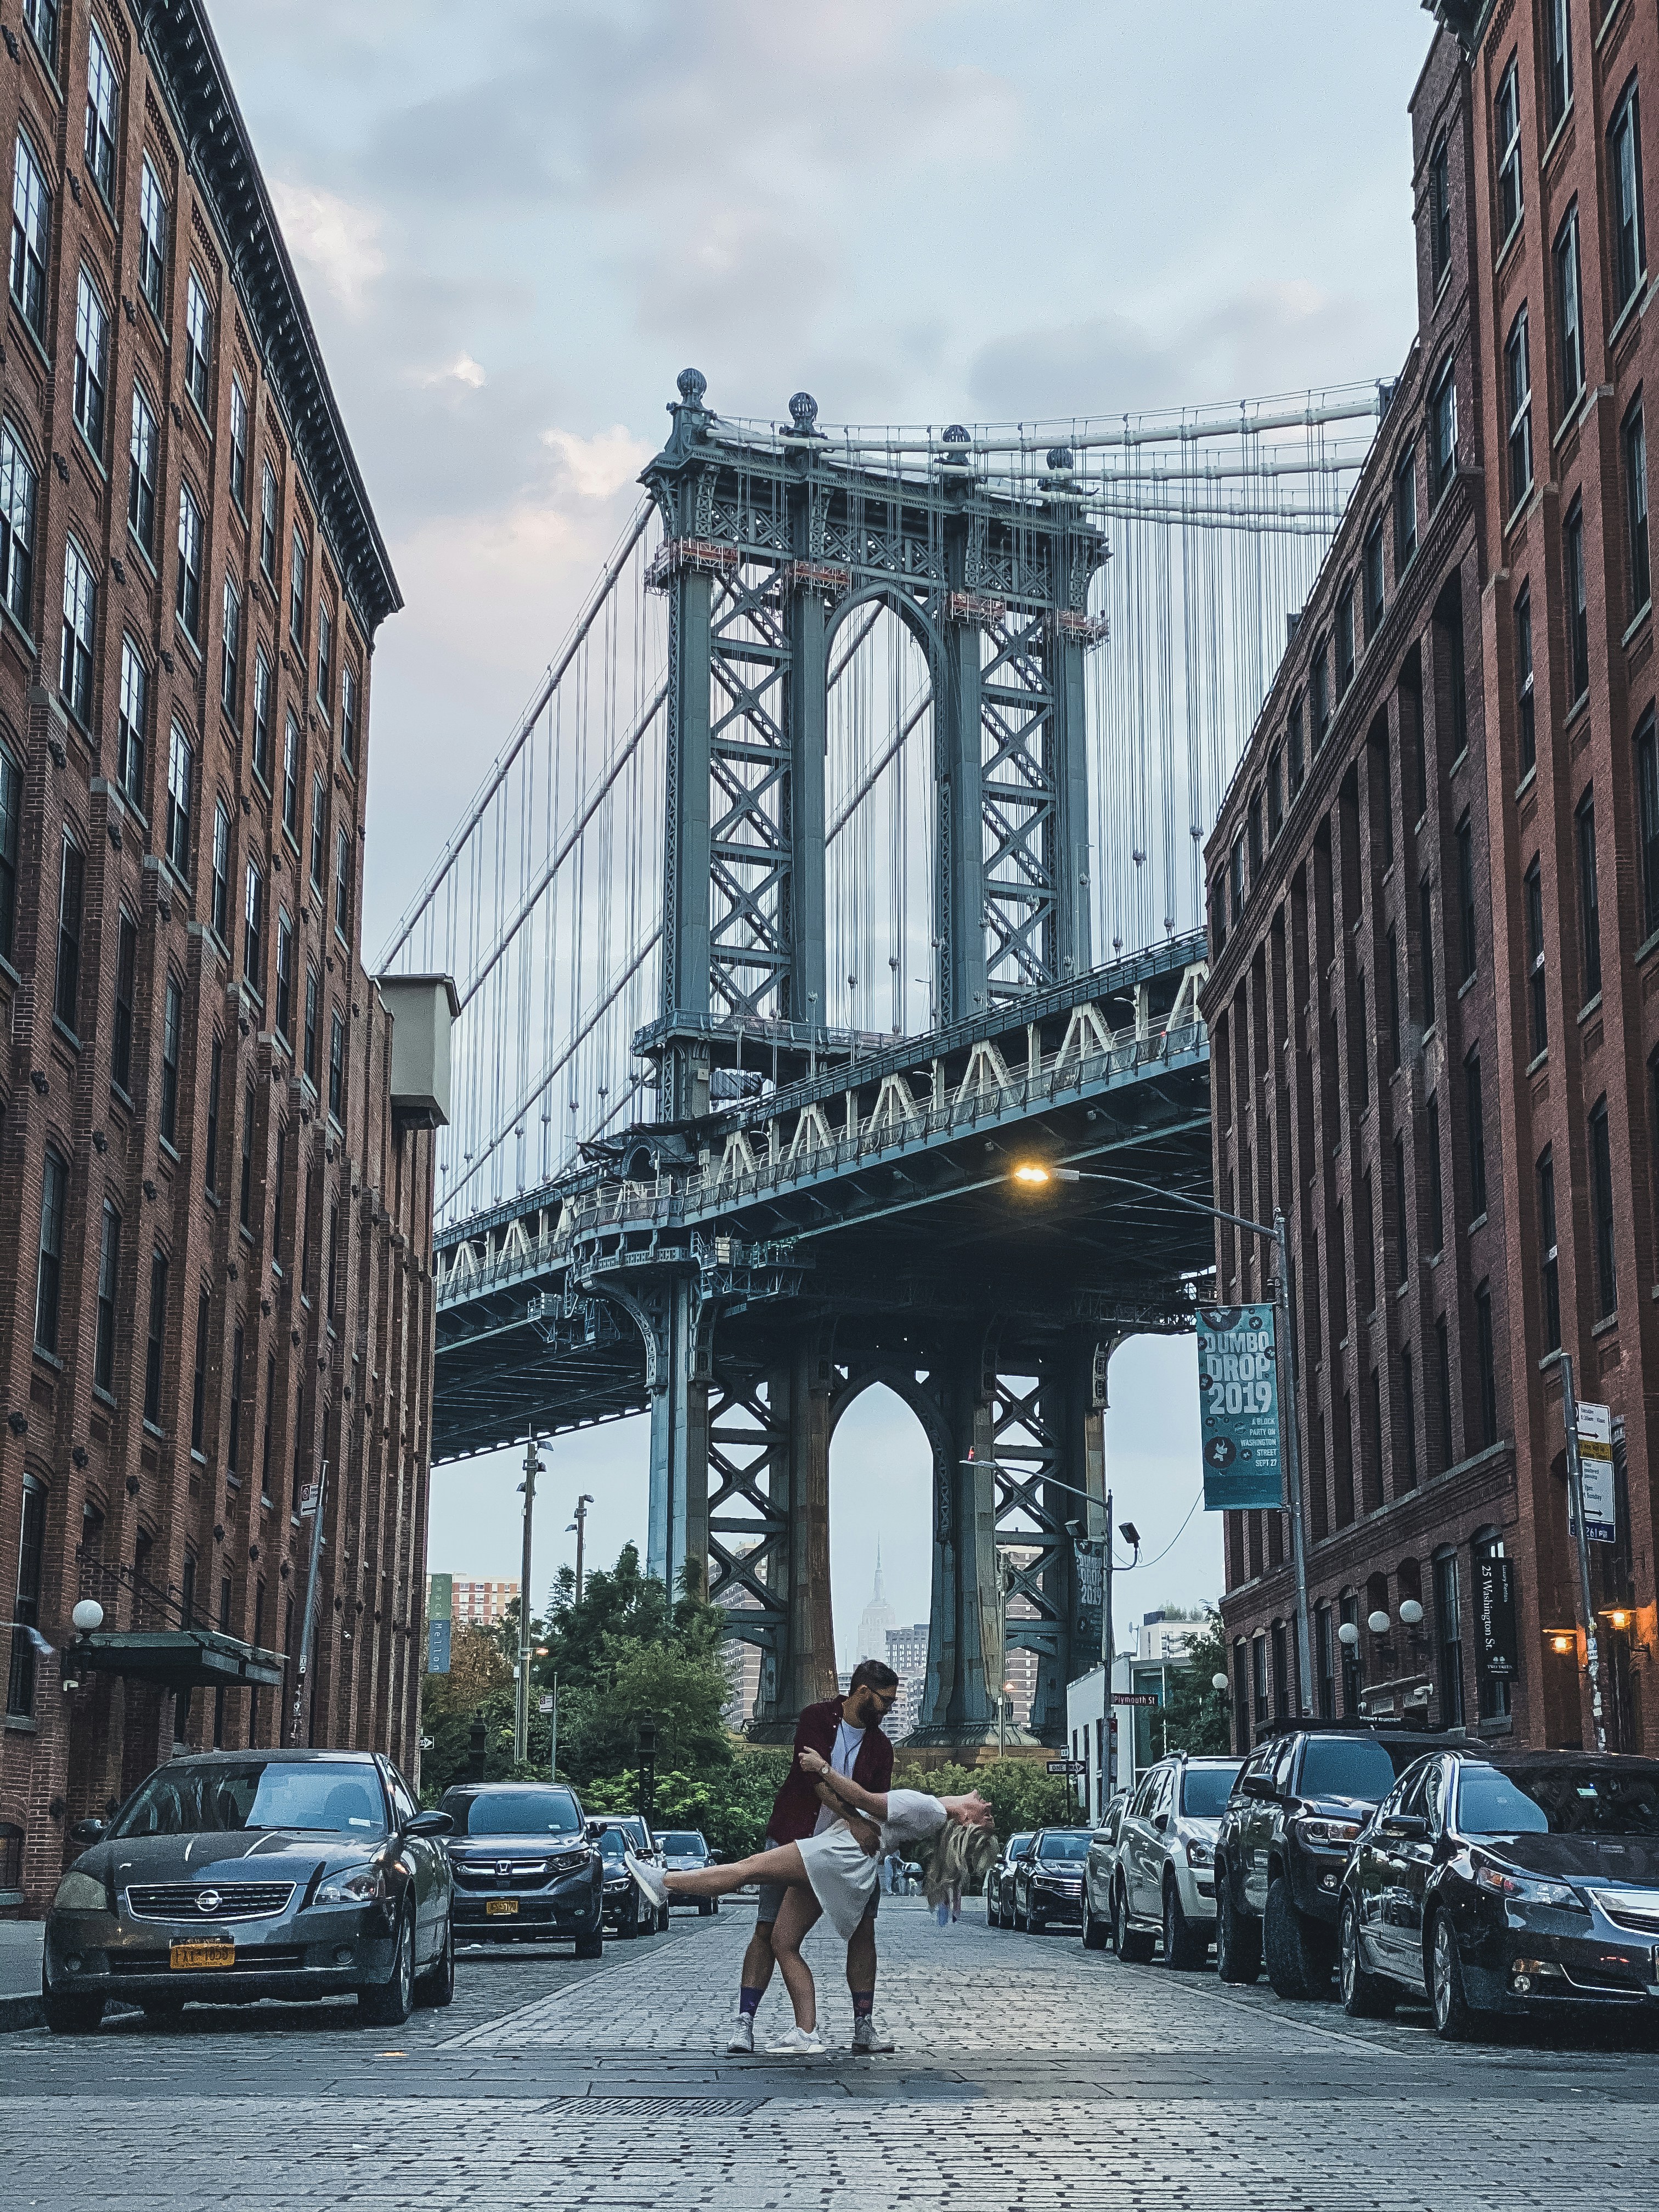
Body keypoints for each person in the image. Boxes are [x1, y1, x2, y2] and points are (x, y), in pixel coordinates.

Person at [631, 1753, 995, 2055]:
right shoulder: (931, 1812)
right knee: (783, 1941)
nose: (988, 1805)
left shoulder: (929, 1809)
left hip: (834, 1855)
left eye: (986, 1815)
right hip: (845, 1862)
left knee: (745, 1870)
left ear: (963, 1818)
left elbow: (864, 1799)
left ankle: (665, 1884)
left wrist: (821, 1767)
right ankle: (806, 2031)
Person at [724, 1661, 899, 2056]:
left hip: (846, 1853)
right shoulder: (817, 1718)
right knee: (767, 1930)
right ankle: (744, 2024)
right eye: (884, 1700)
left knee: (863, 1930)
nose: (888, 1709)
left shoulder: (881, 1746)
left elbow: (877, 1800)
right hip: (793, 1837)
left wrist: (863, 1826)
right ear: (862, 1692)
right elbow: (813, 1781)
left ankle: (863, 2027)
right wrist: (854, 1819)